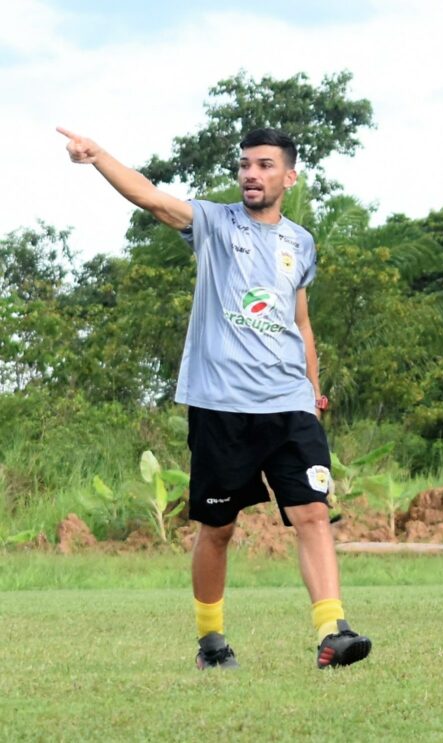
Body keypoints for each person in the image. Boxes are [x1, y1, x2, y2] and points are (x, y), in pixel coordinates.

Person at [57, 125, 372, 669]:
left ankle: (332, 631)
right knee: (219, 528)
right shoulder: (214, 222)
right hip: (221, 402)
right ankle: (211, 641)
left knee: (312, 513)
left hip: (289, 402)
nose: (251, 173)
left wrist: (313, 391)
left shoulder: (301, 242)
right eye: (245, 164)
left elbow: (301, 321)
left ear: (289, 176)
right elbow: (149, 197)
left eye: (265, 165)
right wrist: (100, 157)